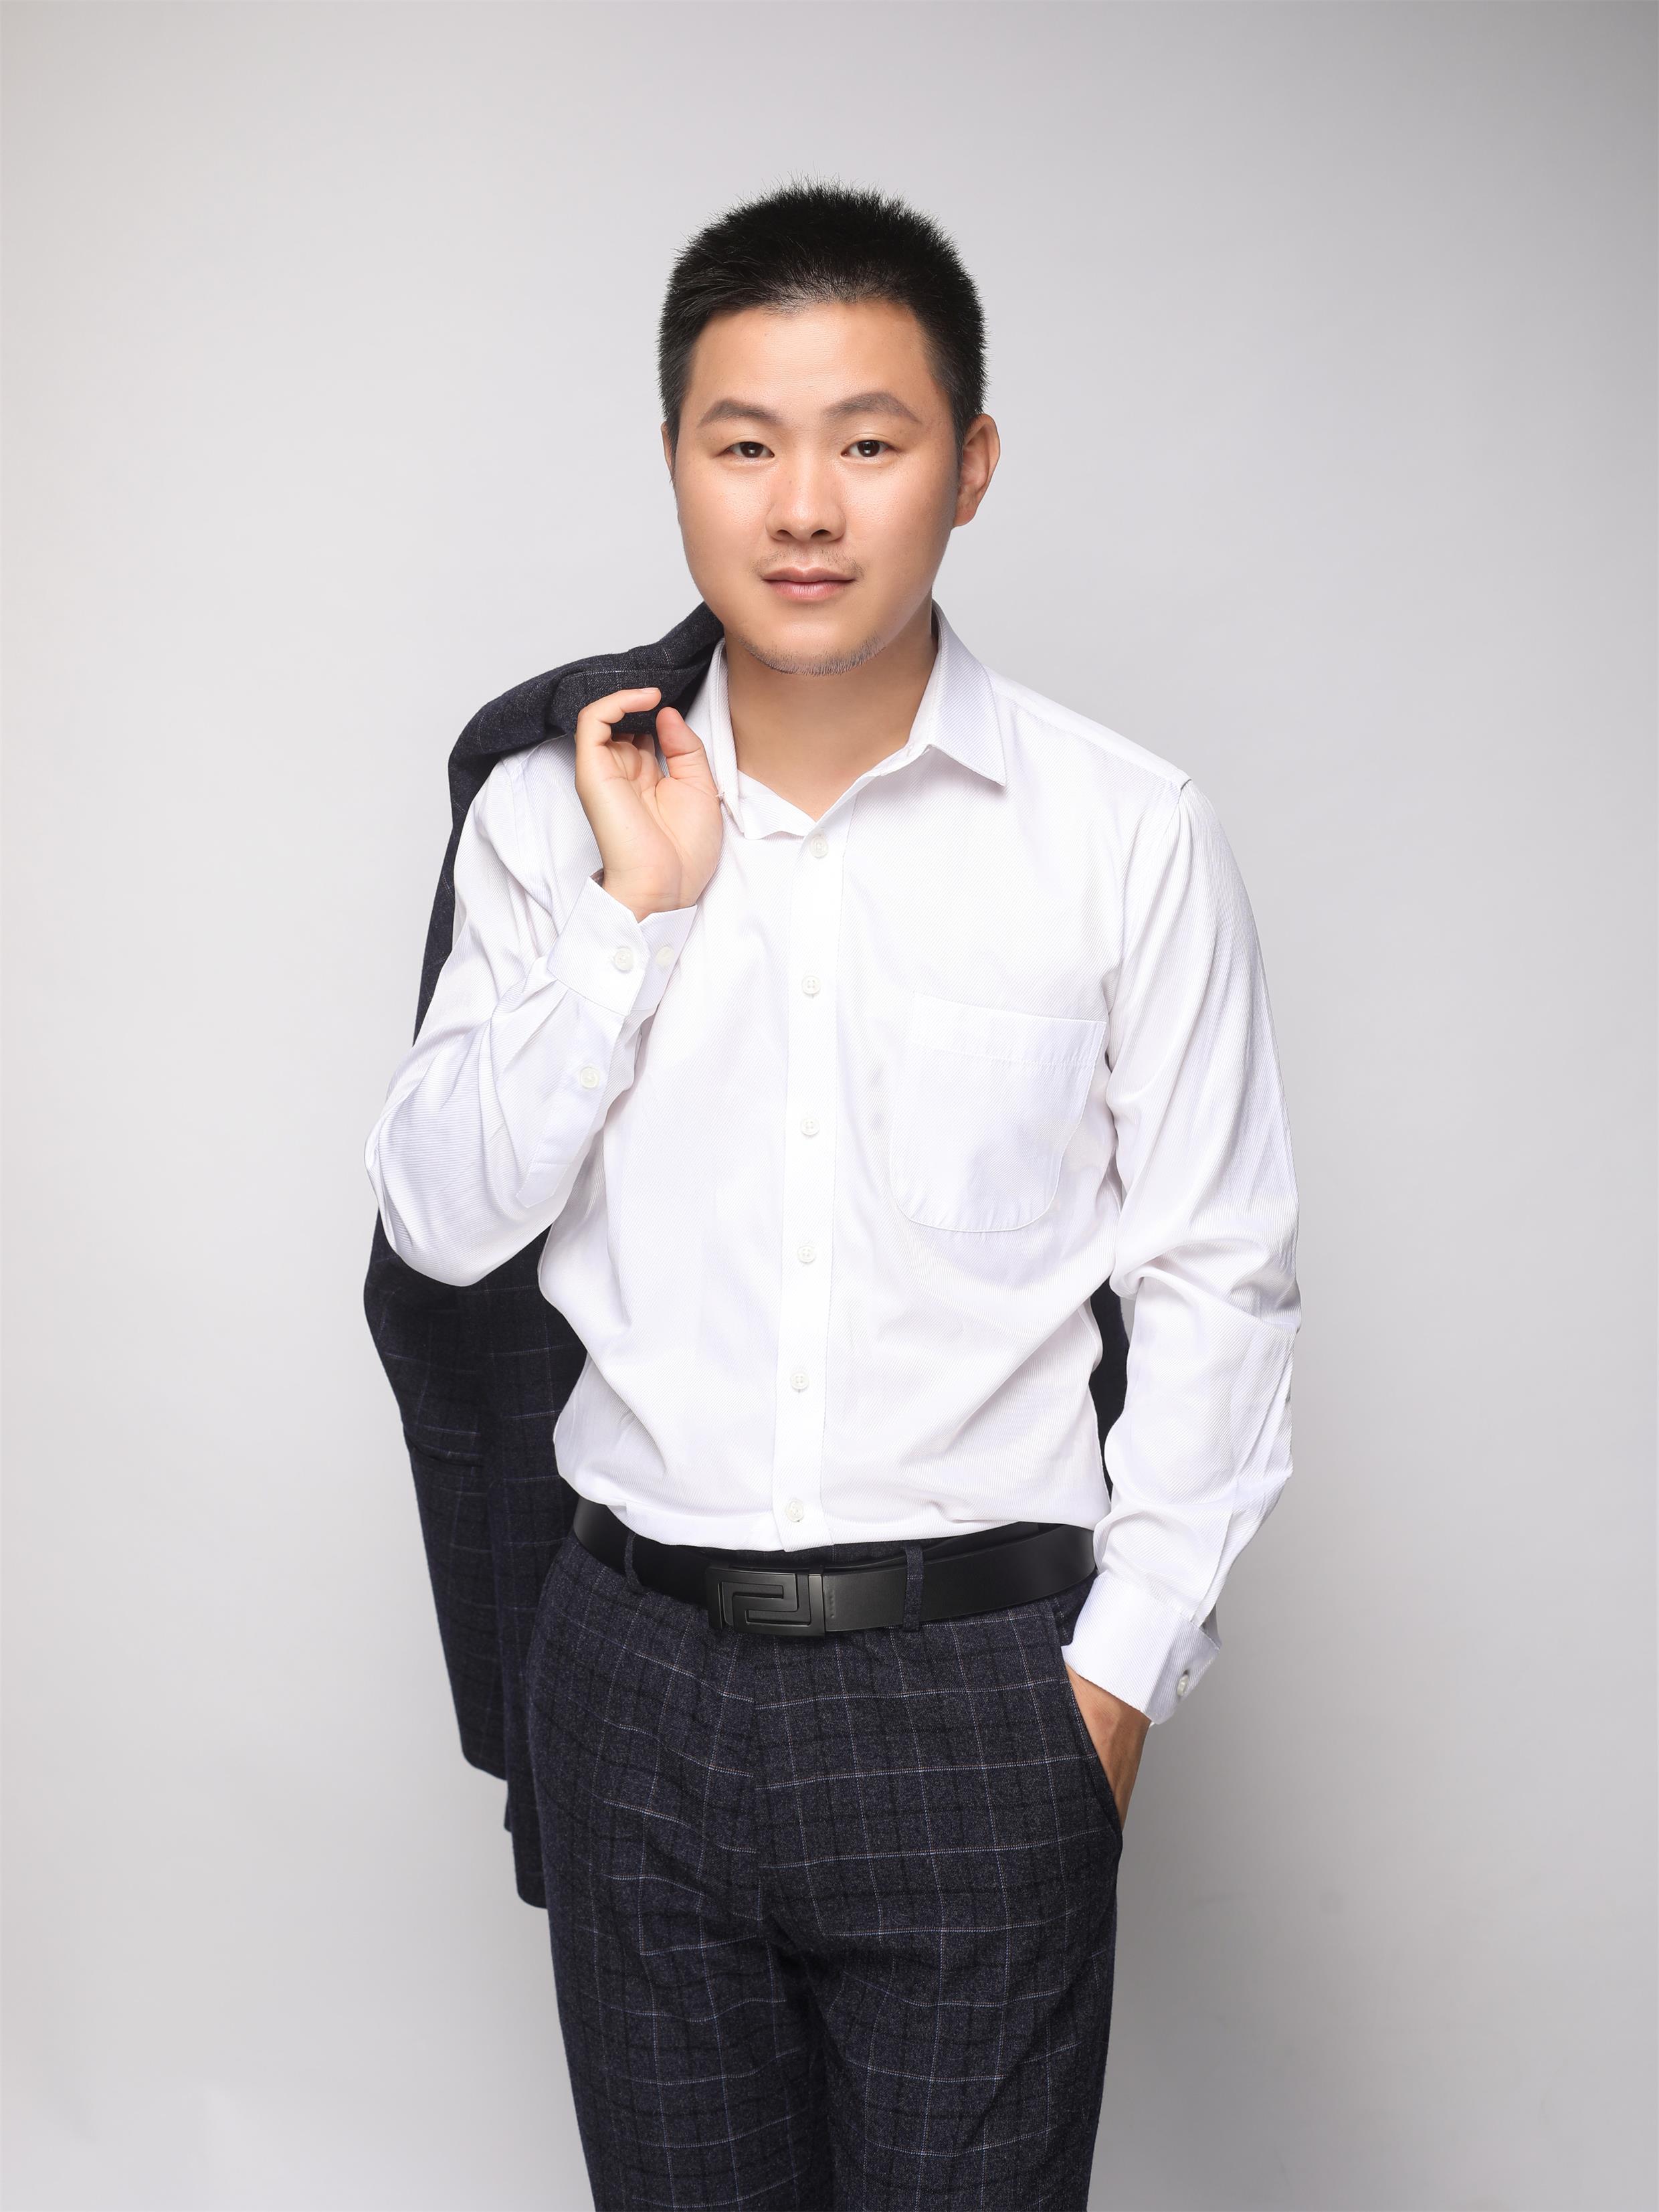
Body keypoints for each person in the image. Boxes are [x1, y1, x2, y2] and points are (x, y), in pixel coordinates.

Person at [364, 180, 1300, 2212]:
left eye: (869, 442)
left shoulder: (1122, 834)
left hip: (979, 1688)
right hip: (632, 1672)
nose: (804, 506)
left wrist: (1112, 1688)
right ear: (676, 462)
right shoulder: (549, 812)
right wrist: (631, 920)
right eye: (746, 444)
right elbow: (438, 1224)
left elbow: (1221, 1281)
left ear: (970, 464)